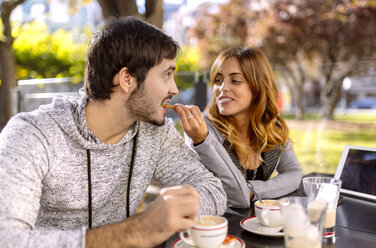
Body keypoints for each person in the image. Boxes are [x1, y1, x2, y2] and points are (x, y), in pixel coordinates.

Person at [0, 17, 227, 247]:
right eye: (167, 74)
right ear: (127, 79)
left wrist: (177, 210)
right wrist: (136, 231)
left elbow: (213, 190)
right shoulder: (32, 135)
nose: (175, 89)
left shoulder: (154, 133)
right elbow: (6, 239)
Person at [174, 47, 302, 209]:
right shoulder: (202, 130)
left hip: (259, 223)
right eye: (218, 80)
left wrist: (251, 190)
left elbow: (294, 174)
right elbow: (238, 197)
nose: (222, 88)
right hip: (217, 226)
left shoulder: (272, 125)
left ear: (256, 88)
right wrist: (203, 141)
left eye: (235, 80)